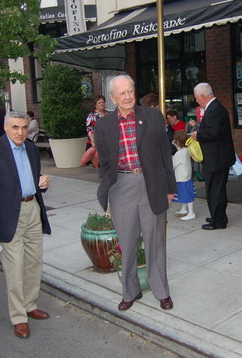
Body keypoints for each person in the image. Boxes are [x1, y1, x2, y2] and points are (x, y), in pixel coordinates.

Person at [95, 75, 176, 312]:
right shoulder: (104, 125)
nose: (128, 96)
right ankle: (130, 292)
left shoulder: (152, 116)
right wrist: (110, 190)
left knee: (155, 243)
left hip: (151, 184)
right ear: (113, 98)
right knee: (128, 243)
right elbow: (104, 162)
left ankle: (162, 291)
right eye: (122, 93)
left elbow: (165, 156)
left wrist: (170, 188)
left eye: (130, 91)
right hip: (122, 186)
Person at [0, 110, 52, 339]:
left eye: (24, 127)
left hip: (32, 210)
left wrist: (43, 184)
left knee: (33, 262)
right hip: (7, 215)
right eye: (15, 127)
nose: (20, 132)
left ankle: (30, 304)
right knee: (15, 266)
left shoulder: (30, 148)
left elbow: (33, 180)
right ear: (6, 128)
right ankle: (19, 317)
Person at [191, 82, 235, 230]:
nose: (196, 101)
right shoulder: (215, 107)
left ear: (203, 96)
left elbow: (213, 132)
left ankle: (218, 221)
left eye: (197, 98)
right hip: (218, 156)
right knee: (217, 189)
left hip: (216, 157)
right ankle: (219, 216)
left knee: (214, 190)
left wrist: (198, 135)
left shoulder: (214, 109)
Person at [171, 131, 196, 221]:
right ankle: (184, 209)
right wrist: (176, 145)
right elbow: (179, 150)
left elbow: (172, 164)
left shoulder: (179, 154)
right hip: (186, 175)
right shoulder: (186, 150)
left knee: (187, 195)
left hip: (181, 177)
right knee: (185, 193)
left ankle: (191, 213)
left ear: (177, 141)